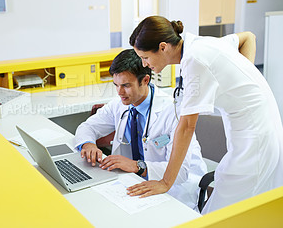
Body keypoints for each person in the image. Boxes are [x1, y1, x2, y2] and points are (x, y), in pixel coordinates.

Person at [127, 15, 283, 214]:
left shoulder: (195, 60)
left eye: (145, 57)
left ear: (163, 47)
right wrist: (243, 82)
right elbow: (248, 37)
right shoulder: (201, 44)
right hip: (256, 128)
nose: (144, 64)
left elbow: (186, 127)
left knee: (225, 212)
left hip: (256, 137)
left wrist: (165, 182)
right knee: (239, 204)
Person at [74, 49, 207, 210]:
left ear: (145, 80)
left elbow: (181, 172)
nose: (120, 92)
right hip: (133, 183)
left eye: (126, 85)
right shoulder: (120, 104)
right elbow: (87, 127)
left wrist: (139, 166)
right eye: (116, 85)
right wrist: (88, 144)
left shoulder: (173, 113)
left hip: (176, 190)